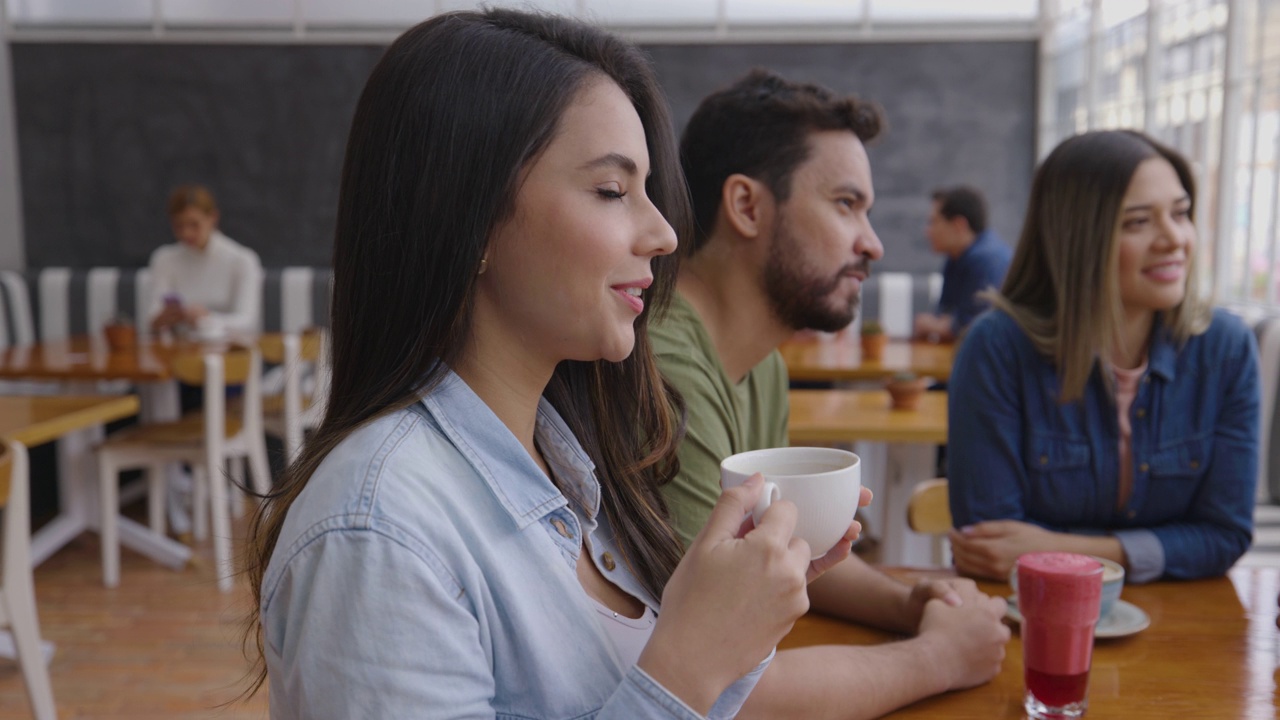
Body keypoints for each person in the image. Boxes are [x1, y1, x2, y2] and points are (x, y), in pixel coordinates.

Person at [244, 11, 863, 718]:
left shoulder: (568, 470)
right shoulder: (378, 533)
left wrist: (739, 621)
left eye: (648, 190)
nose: (663, 233)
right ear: (470, 220)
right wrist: (686, 663)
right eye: (611, 190)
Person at [653, 68, 1010, 720]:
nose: (872, 243)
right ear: (747, 206)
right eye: (847, 205)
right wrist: (938, 658)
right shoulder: (665, 369)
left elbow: (786, 551)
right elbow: (715, 685)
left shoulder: (758, 360)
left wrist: (912, 604)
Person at [947, 129, 1259, 584]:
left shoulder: (1226, 348)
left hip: (1185, 629)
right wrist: (1160, 548)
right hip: (1031, 619)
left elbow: (1225, 535)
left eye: (1180, 213)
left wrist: (1064, 546)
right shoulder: (996, 349)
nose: (1175, 238)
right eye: (1137, 222)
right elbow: (991, 547)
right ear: (1078, 239)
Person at [147, 184, 262, 336]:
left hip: (231, 353)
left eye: (194, 224)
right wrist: (162, 318)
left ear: (213, 218)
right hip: (179, 353)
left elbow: (248, 322)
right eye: (179, 226)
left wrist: (207, 319)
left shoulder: (242, 260)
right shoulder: (164, 259)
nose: (186, 233)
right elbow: (151, 319)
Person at [913, 185, 1011, 343]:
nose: (927, 231)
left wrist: (940, 326)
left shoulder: (989, 260)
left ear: (959, 225)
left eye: (933, 222)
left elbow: (979, 326)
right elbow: (945, 313)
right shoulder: (955, 256)